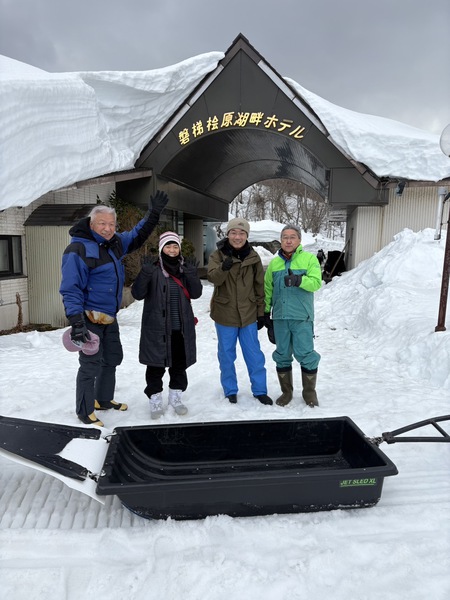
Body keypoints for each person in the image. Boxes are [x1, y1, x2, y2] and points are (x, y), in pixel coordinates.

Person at [59, 190, 169, 426]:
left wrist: (153, 213)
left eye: (111, 224)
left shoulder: (115, 243)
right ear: (91, 224)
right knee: (90, 365)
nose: (108, 228)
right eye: (102, 224)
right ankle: (84, 411)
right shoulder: (78, 250)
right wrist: (77, 322)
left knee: (112, 358)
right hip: (88, 318)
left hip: (109, 317)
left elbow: (137, 235)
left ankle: (103, 399)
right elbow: (71, 288)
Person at [131, 232, 202, 419]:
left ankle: (175, 398)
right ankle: (155, 400)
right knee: (155, 366)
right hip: (157, 329)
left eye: (175, 246)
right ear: (162, 248)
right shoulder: (152, 269)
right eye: (168, 246)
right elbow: (137, 294)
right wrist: (144, 272)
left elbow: (196, 294)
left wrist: (192, 274)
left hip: (180, 329)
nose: (172, 250)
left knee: (179, 365)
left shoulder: (183, 268)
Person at [207, 217, 272, 405]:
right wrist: (223, 268)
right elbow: (213, 278)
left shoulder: (253, 257)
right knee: (226, 354)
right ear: (228, 234)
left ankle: (260, 390)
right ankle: (230, 390)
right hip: (225, 313)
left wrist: (261, 312)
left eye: (242, 233)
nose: (237, 236)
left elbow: (259, 286)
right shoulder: (217, 255)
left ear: (247, 236)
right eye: (234, 233)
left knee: (254, 354)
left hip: (249, 313)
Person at [264, 224, 322, 407]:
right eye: (284, 237)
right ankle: (286, 392)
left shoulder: (309, 259)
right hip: (280, 318)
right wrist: (266, 312)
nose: (288, 240)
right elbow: (268, 289)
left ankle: (309, 393)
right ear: (280, 241)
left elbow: (316, 283)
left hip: (301, 317)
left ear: (299, 240)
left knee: (305, 354)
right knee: (282, 354)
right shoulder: (274, 263)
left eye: (292, 237)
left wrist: (299, 280)